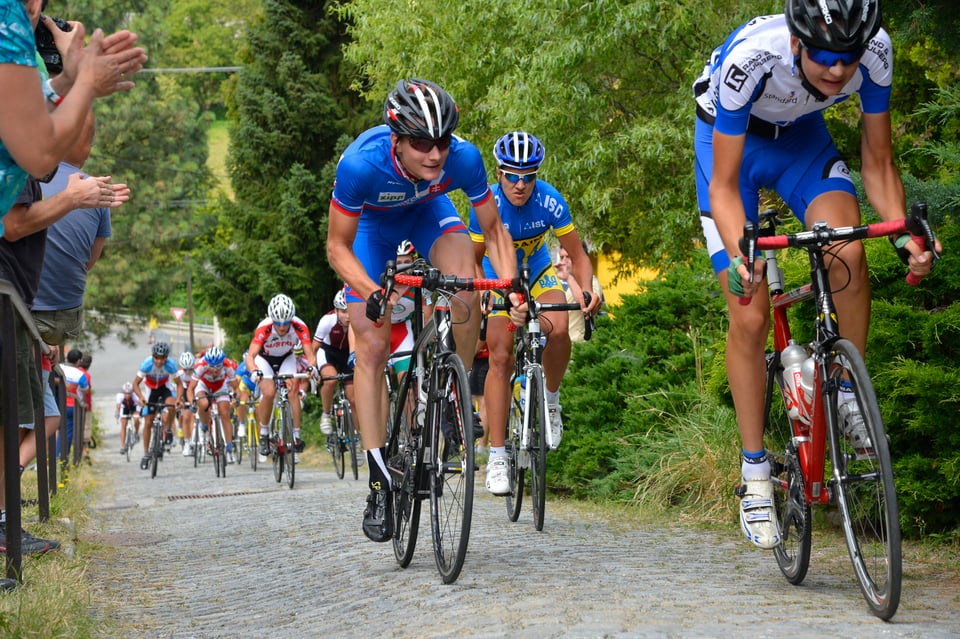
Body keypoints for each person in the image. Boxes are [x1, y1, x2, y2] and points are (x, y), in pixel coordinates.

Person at [692, 0, 939, 549]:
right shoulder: (752, 59)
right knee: (751, 312)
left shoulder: (876, 52)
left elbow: (877, 163)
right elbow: (726, 189)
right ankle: (755, 471)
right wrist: (741, 255)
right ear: (798, 43)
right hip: (728, 152)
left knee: (848, 253)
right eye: (825, 56)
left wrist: (902, 234)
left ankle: (846, 388)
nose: (837, 70)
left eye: (847, 58)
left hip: (803, 143)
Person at [325, 78, 521, 543]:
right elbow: (337, 246)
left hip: (428, 212)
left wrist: (512, 286)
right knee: (371, 345)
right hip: (372, 227)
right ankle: (377, 482)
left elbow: (493, 233)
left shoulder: (464, 160)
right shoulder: (361, 165)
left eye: (442, 143)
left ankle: (452, 390)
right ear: (396, 138)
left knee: (467, 285)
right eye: (420, 144)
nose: (434, 155)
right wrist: (372, 292)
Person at [469, 130, 600, 496]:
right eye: (512, 175)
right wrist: (485, 293)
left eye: (529, 175)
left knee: (559, 328)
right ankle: (496, 456)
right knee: (500, 356)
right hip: (497, 274)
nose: (521, 184)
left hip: (538, 270)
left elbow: (578, 255)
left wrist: (586, 289)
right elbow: (475, 260)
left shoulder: (550, 200)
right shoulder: (486, 202)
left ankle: (551, 400)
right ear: (498, 173)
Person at [244, 294, 317, 461]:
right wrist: (254, 370)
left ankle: (296, 435)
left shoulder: (299, 326)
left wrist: (312, 367)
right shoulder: (265, 327)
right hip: (264, 359)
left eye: (286, 323)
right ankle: (263, 434)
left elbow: (310, 354)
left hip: (286, 357)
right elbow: (251, 356)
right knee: (269, 392)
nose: (282, 327)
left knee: (293, 391)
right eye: (278, 323)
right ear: (272, 319)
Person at [187, 346, 239, 463]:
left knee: (225, 413)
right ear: (207, 363)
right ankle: (204, 426)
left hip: (220, 386)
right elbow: (190, 389)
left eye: (218, 366)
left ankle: (229, 449)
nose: (215, 370)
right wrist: (192, 402)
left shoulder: (228, 365)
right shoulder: (200, 366)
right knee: (203, 403)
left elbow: (235, 387)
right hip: (204, 385)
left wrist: (235, 397)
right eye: (212, 366)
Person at [132, 341, 178, 470]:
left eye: (162, 358)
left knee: (171, 406)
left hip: (164, 388)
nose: (159, 361)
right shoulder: (147, 364)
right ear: (153, 356)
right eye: (156, 358)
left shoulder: (171, 365)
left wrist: (179, 399)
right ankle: (146, 454)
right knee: (148, 422)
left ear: (166, 357)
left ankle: (168, 428)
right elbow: (135, 384)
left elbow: (179, 384)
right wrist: (141, 397)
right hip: (150, 390)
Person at [314, 289, 353, 437]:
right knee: (330, 380)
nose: (348, 316)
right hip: (328, 351)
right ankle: (325, 414)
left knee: (353, 398)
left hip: (348, 353)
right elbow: (314, 347)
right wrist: (313, 369)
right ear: (336, 310)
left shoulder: (358, 319)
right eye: (343, 312)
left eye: (350, 311)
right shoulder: (327, 321)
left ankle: (355, 437)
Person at [555, 245, 604, 343]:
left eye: (568, 257)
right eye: (561, 257)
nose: (564, 261)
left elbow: (587, 304)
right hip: (559, 346)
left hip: (579, 346)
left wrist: (569, 278)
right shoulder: (561, 283)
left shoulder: (591, 282)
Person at [175, 351, 197, 456]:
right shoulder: (179, 374)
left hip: (196, 390)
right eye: (185, 369)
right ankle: (187, 442)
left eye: (190, 369)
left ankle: (197, 439)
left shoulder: (197, 372)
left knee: (194, 416)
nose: (188, 372)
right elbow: (179, 389)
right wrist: (180, 400)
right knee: (186, 417)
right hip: (185, 392)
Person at [115, 381, 140, 454]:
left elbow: (139, 406)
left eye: (129, 393)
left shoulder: (135, 396)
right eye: (126, 393)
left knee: (136, 419)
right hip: (125, 407)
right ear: (123, 393)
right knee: (123, 424)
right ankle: (123, 446)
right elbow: (118, 406)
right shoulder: (119, 396)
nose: (127, 395)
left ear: (132, 393)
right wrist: (117, 413)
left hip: (134, 407)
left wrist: (139, 414)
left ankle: (136, 432)